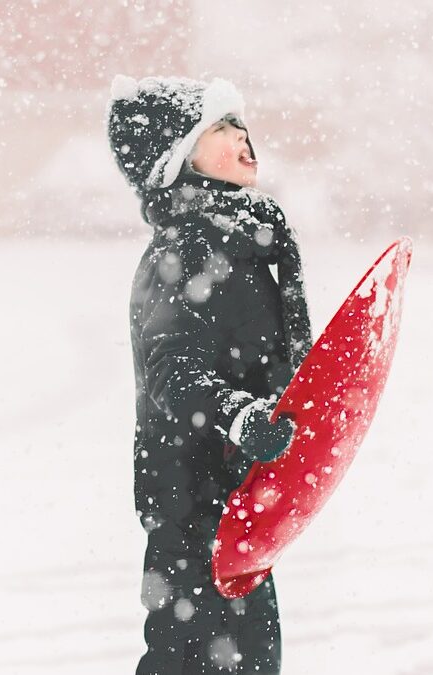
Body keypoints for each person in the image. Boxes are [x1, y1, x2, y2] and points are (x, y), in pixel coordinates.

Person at [106, 74, 314, 674]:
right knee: (193, 661)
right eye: (220, 127)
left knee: (247, 662)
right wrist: (240, 417)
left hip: (235, 503)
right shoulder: (187, 248)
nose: (243, 136)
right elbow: (172, 369)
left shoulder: (239, 240)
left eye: (240, 122)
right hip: (192, 501)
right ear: (176, 158)